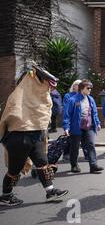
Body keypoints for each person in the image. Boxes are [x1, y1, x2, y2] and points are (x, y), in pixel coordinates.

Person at [0, 63, 68, 206]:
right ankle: (6, 195)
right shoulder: (18, 95)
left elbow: (48, 112)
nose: (49, 86)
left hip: (36, 135)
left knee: (43, 163)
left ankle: (50, 191)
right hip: (19, 137)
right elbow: (11, 115)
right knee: (14, 170)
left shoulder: (43, 96)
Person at [63, 79, 103, 174]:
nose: (90, 90)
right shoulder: (72, 100)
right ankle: (74, 165)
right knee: (75, 147)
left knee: (91, 145)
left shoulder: (91, 99)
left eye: (90, 88)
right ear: (81, 89)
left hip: (89, 126)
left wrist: (97, 123)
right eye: (88, 88)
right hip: (76, 127)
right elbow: (67, 115)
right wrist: (66, 127)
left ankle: (93, 165)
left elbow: (94, 113)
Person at [62, 80, 88, 161]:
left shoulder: (84, 96)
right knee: (70, 139)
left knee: (85, 140)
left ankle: (87, 155)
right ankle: (66, 154)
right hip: (72, 121)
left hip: (83, 121)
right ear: (73, 86)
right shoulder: (68, 96)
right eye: (76, 85)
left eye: (79, 85)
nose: (77, 86)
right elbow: (66, 110)